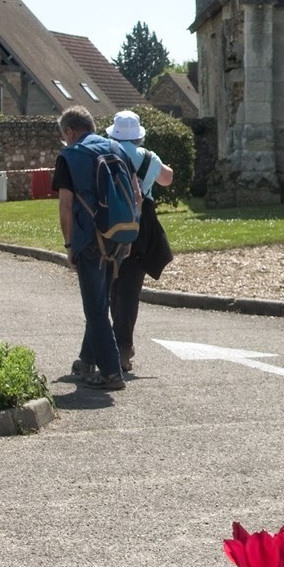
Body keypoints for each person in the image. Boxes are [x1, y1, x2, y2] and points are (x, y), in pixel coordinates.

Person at [53, 105, 129, 390]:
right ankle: (86, 361)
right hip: (119, 235)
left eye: (64, 135)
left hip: (90, 239)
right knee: (101, 300)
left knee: (95, 308)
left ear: (70, 131)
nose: (64, 140)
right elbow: (133, 192)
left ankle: (111, 371)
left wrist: (70, 244)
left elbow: (65, 206)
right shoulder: (116, 148)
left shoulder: (70, 157)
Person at [102, 110, 174, 373]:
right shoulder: (147, 157)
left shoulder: (106, 153)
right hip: (140, 223)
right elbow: (167, 178)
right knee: (131, 289)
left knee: (113, 285)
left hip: (110, 221)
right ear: (139, 136)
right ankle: (123, 346)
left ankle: (113, 342)